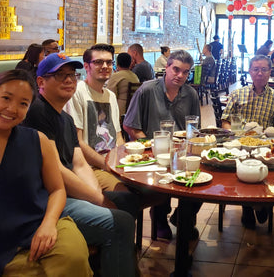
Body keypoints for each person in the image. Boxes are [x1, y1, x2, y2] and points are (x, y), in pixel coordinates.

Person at [0, 70, 91, 276]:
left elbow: (57, 190)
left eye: (23, 104)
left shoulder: (38, 141)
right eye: (6, 98)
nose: (12, 109)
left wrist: (49, 224)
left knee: (73, 257)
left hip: (43, 224)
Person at [23, 53, 139, 275]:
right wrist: (97, 200)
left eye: (72, 75)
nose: (69, 80)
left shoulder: (65, 119)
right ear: (41, 82)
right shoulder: (37, 112)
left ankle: (110, 263)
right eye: (60, 75)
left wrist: (96, 196)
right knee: (121, 223)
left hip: (68, 193)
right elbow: (55, 170)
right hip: (48, 199)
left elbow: (78, 163)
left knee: (127, 201)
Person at [123, 50, 202, 240]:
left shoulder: (190, 94)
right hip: (152, 154)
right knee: (161, 182)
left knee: (200, 183)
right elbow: (130, 125)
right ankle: (159, 217)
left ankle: (183, 217)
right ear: (166, 68)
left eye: (185, 72)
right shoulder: (147, 90)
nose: (180, 75)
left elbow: (195, 130)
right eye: (176, 69)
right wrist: (149, 147)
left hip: (181, 152)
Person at [221, 55, 274, 229]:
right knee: (241, 165)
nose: (259, 73)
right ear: (249, 71)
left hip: (264, 148)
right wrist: (232, 134)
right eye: (255, 69)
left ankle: (262, 202)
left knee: (265, 166)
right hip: (240, 146)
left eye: (264, 69)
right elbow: (225, 121)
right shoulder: (237, 94)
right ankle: (248, 207)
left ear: (269, 72)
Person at [65, 44, 125, 192]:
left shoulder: (110, 96)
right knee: (125, 193)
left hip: (111, 163)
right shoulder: (77, 92)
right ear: (86, 66)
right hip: (91, 167)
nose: (105, 66)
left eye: (109, 62)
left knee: (154, 189)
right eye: (98, 62)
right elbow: (77, 142)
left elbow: (118, 136)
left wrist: (124, 162)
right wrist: (109, 166)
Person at [107, 52, 140, 116]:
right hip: (134, 111)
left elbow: (109, 95)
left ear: (117, 63)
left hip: (120, 112)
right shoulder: (135, 76)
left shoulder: (116, 76)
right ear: (130, 63)